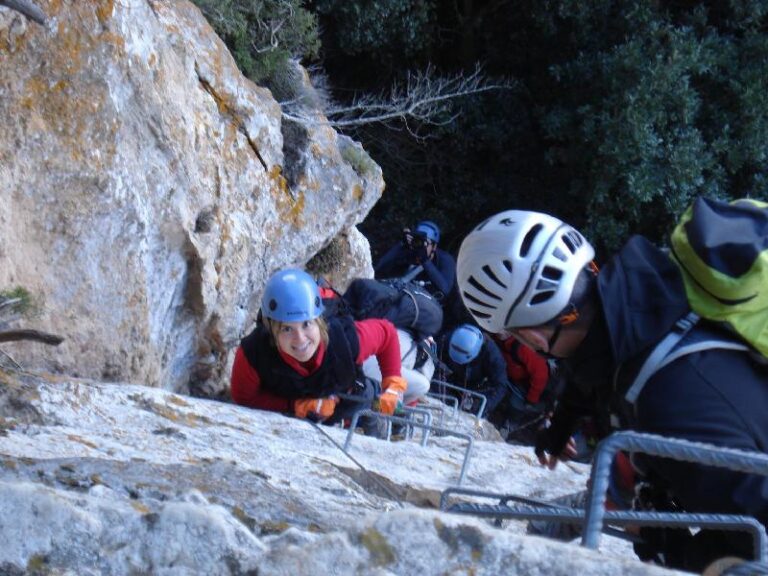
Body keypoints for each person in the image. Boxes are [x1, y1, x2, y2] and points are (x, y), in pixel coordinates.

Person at [455, 208, 768, 571]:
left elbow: (759, 537)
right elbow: (590, 366)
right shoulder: (641, 300)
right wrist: (560, 427)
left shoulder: (670, 404)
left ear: (532, 336)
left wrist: (670, 544)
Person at [230, 269, 408, 429]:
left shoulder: (346, 339)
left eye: (306, 324)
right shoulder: (254, 355)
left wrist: (392, 383)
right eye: (286, 329)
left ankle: (384, 421)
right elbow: (245, 398)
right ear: (272, 331)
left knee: (373, 404)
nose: (300, 339)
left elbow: (387, 333)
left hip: (351, 397)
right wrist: (295, 405)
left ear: (319, 322)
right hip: (304, 409)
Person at [436, 323, 513, 418]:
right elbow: (433, 357)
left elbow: (500, 385)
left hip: (475, 385)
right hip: (450, 377)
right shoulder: (450, 339)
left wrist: (482, 405)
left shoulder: (493, 356)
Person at [374, 220, 456, 302]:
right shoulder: (408, 251)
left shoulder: (445, 260)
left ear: (434, 247)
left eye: (425, 242)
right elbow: (379, 269)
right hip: (397, 296)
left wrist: (425, 261)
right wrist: (401, 245)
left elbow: (445, 289)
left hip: (425, 305)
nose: (419, 245)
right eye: (416, 240)